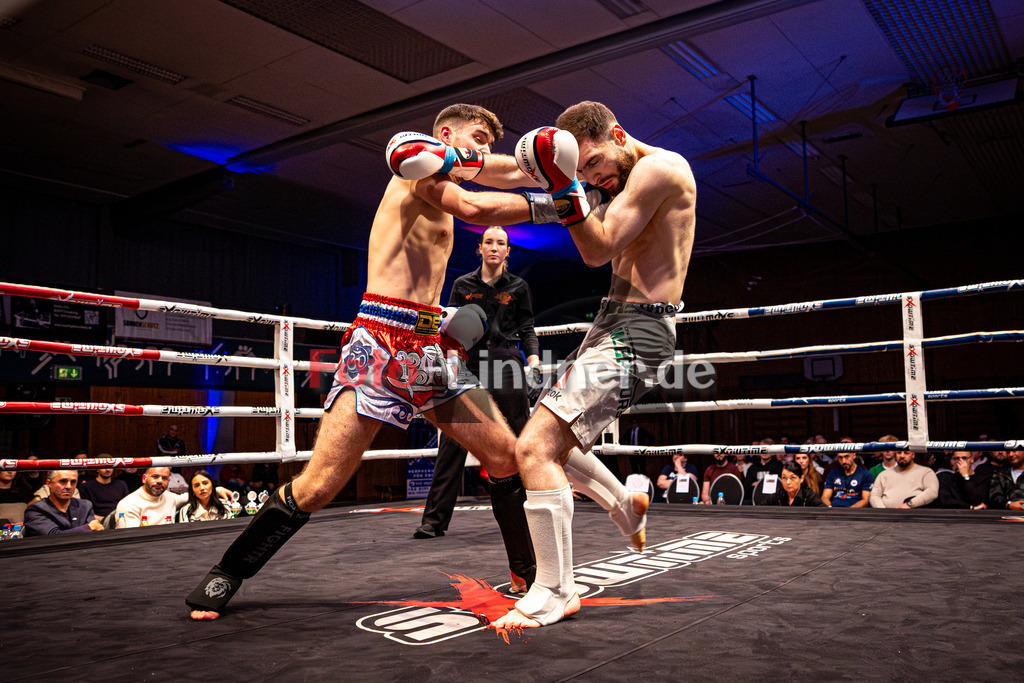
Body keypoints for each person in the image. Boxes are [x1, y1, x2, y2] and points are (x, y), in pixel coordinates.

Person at [186, 103, 552, 620]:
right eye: (477, 137)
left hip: (428, 350)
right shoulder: (417, 173)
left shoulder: (455, 175)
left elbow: (505, 170)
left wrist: (557, 169)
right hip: (379, 344)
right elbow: (475, 205)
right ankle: (228, 571)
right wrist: (555, 206)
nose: (484, 149)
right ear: (447, 134)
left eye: (489, 142)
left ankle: (528, 576)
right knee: (320, 484)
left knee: (506, 456)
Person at [493, 101, 695, 629]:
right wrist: (455, 163)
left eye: (594, 163)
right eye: (581, 172)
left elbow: (597, 250)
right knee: (544, 440)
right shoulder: (616, 182)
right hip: (613, 322)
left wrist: (565, 188)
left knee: (535, 448)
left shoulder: (660, 168)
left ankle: (556, 589)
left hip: (643, 329)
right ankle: (625, 503)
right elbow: (515, 177)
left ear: (618, 135)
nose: (592, 178)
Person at [415, 225, 541, 539]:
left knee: (519, 436)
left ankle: (533, 509)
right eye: (489, 242)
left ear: (508, 250)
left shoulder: (519, 286)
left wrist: (535, 363)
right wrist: (449, 361)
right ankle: (434, 521)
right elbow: (451, 326)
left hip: (506, 360)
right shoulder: (462, 284)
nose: (494, 247)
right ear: (480, 247)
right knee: (454, 438)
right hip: (468, 362)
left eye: (501, 243)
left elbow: (527, 328)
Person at [23, 470, 104, 535]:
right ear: (49, 483)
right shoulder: (35, 509)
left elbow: (94, 533)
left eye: (73, 482)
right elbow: (53, 536)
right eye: (63, 481)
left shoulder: (85, 505)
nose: (68, 486)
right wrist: (88, 528)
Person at [869, 448, 939, 509]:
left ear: (913, 455)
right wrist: (883, 511)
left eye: (906, 453)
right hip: (886, 516)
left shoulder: (926, 472)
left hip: (914, 515)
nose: (902, 456)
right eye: (899, 453)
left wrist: (910, 504)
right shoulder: (883, 474)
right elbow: (874, 496)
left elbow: (932, 492)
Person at [761, 461, 826, 507]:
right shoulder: (778, 496)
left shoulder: (809, 496)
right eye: (784, 478)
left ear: (801, 479)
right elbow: (759, 508)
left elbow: (824, 512)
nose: (788, 482)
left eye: (792, 478)